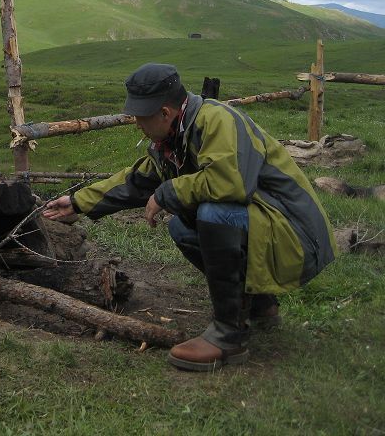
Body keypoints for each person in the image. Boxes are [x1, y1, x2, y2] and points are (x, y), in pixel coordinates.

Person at [43, 63, 336, 371]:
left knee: (215, 212)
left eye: (142, 118)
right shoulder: (173, 137)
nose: (137, 125)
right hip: (271, 229)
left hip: (298, 239)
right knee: (183, 225)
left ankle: (228, 336)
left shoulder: (218, 120)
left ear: (166, 113)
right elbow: (137, 181)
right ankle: (260, 304)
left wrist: (167, 192)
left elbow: (230, 183)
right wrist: (76, 203)